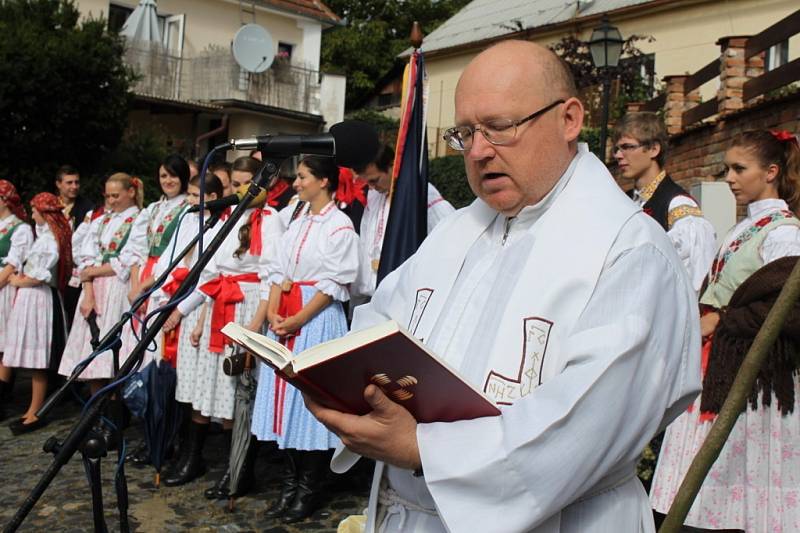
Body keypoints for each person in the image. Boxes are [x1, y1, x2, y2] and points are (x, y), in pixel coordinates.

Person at [305, 40, 701, 533]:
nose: (477, 151)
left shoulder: (630, 252)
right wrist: (335, 377)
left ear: (569, 119)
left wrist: (424, 449)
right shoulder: (455, 232)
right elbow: (378, 323)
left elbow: (589, 424)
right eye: (465, 132)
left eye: (499, 127)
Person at [650, 130, 800, 532]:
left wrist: (721, 319)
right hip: (719, 366)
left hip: (754, 379)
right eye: (727, 169)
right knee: (706, 492)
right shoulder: (741, 229)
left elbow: (785, 308)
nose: (730, 178)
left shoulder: (785, 233)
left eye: (739, 168)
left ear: (771, 172)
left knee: (745, 486)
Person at [160, 156, 284, 487]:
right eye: (238, 183)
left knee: (237, 389)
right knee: (209, 384)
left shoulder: (269, 220)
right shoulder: (226, 218)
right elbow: (211, 275)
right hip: (219, 306)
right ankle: (194, 457)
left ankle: (239, 469)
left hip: (247, 308)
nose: (243, 189)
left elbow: (271, 278)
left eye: (249, 182)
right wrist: (182, 312)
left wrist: (254, 326)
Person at [250, 155, 359, 523]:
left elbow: (334, 282)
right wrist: (276, 315)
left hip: (316, 320)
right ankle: (290, 483)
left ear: (323, 181)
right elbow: (278, 270)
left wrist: (298, 318)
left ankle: (309, 488)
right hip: (288, 317)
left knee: (309, 402)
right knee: (285, 402)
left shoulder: (340, 226)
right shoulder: (296, 223)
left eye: (302, 177)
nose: (295, 184)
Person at [58, 174, 143, 397]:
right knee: (92, 351)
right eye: (108, 196)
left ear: (131, 193)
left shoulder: (138, 220)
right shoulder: (100, 221)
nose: (111, 201)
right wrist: (88, 294)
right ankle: (98, 412)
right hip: (93, 290)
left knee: (112, 354)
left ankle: (115, 412)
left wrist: (92, 271)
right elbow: (84, 256)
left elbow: (128, 260)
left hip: (117, 288)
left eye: (116, 196)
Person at [613, 113, 717, 292]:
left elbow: (694, 280)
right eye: (616, 149)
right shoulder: (625, 199)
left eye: (627, 147)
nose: (618, 155)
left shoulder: (677, 205)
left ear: (654, 149)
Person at [351, 144, 454, 303]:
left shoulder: (420, 194)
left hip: (406, 295)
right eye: (367, 183)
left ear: (392, 166)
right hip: (375, 294)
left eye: (375, 180)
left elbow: (447, 240)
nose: (371, 187)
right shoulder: (374, 197)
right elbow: (366, 239)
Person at [4, 192, 72, 435]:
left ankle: (36, 410)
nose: (31, 215)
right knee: (33, 357)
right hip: (31, 298)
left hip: (40, 298)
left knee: (39, 357)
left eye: (35, 211)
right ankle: (32, 409)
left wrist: (20, 281)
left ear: (44, 214)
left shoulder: (51, 240)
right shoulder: (44, 237)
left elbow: (40, 274)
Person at [123, 155, 190, 359]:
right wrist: (136, 286)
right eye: (163, 175)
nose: (168, 181)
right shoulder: (153, 208)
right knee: (134, 341)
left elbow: (178, 254)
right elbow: (136, 248)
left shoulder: (188, 208)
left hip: (166, 276)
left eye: (173, 176)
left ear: (184, 177)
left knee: (157, 340)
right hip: (144, 274)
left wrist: (144, 286)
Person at [0, 180, 34, 421]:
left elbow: (14, 262)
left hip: (5, 288)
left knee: (3, 344)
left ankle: (1, 396)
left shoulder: (20, 228)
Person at [55, 165, 94, 327]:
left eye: (77, 183)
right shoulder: (50, 205)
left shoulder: (87, 207)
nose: (74, 187)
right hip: (53, 266)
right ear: (58, 184)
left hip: (74, 268)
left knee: (70, 312)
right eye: (69, 183)